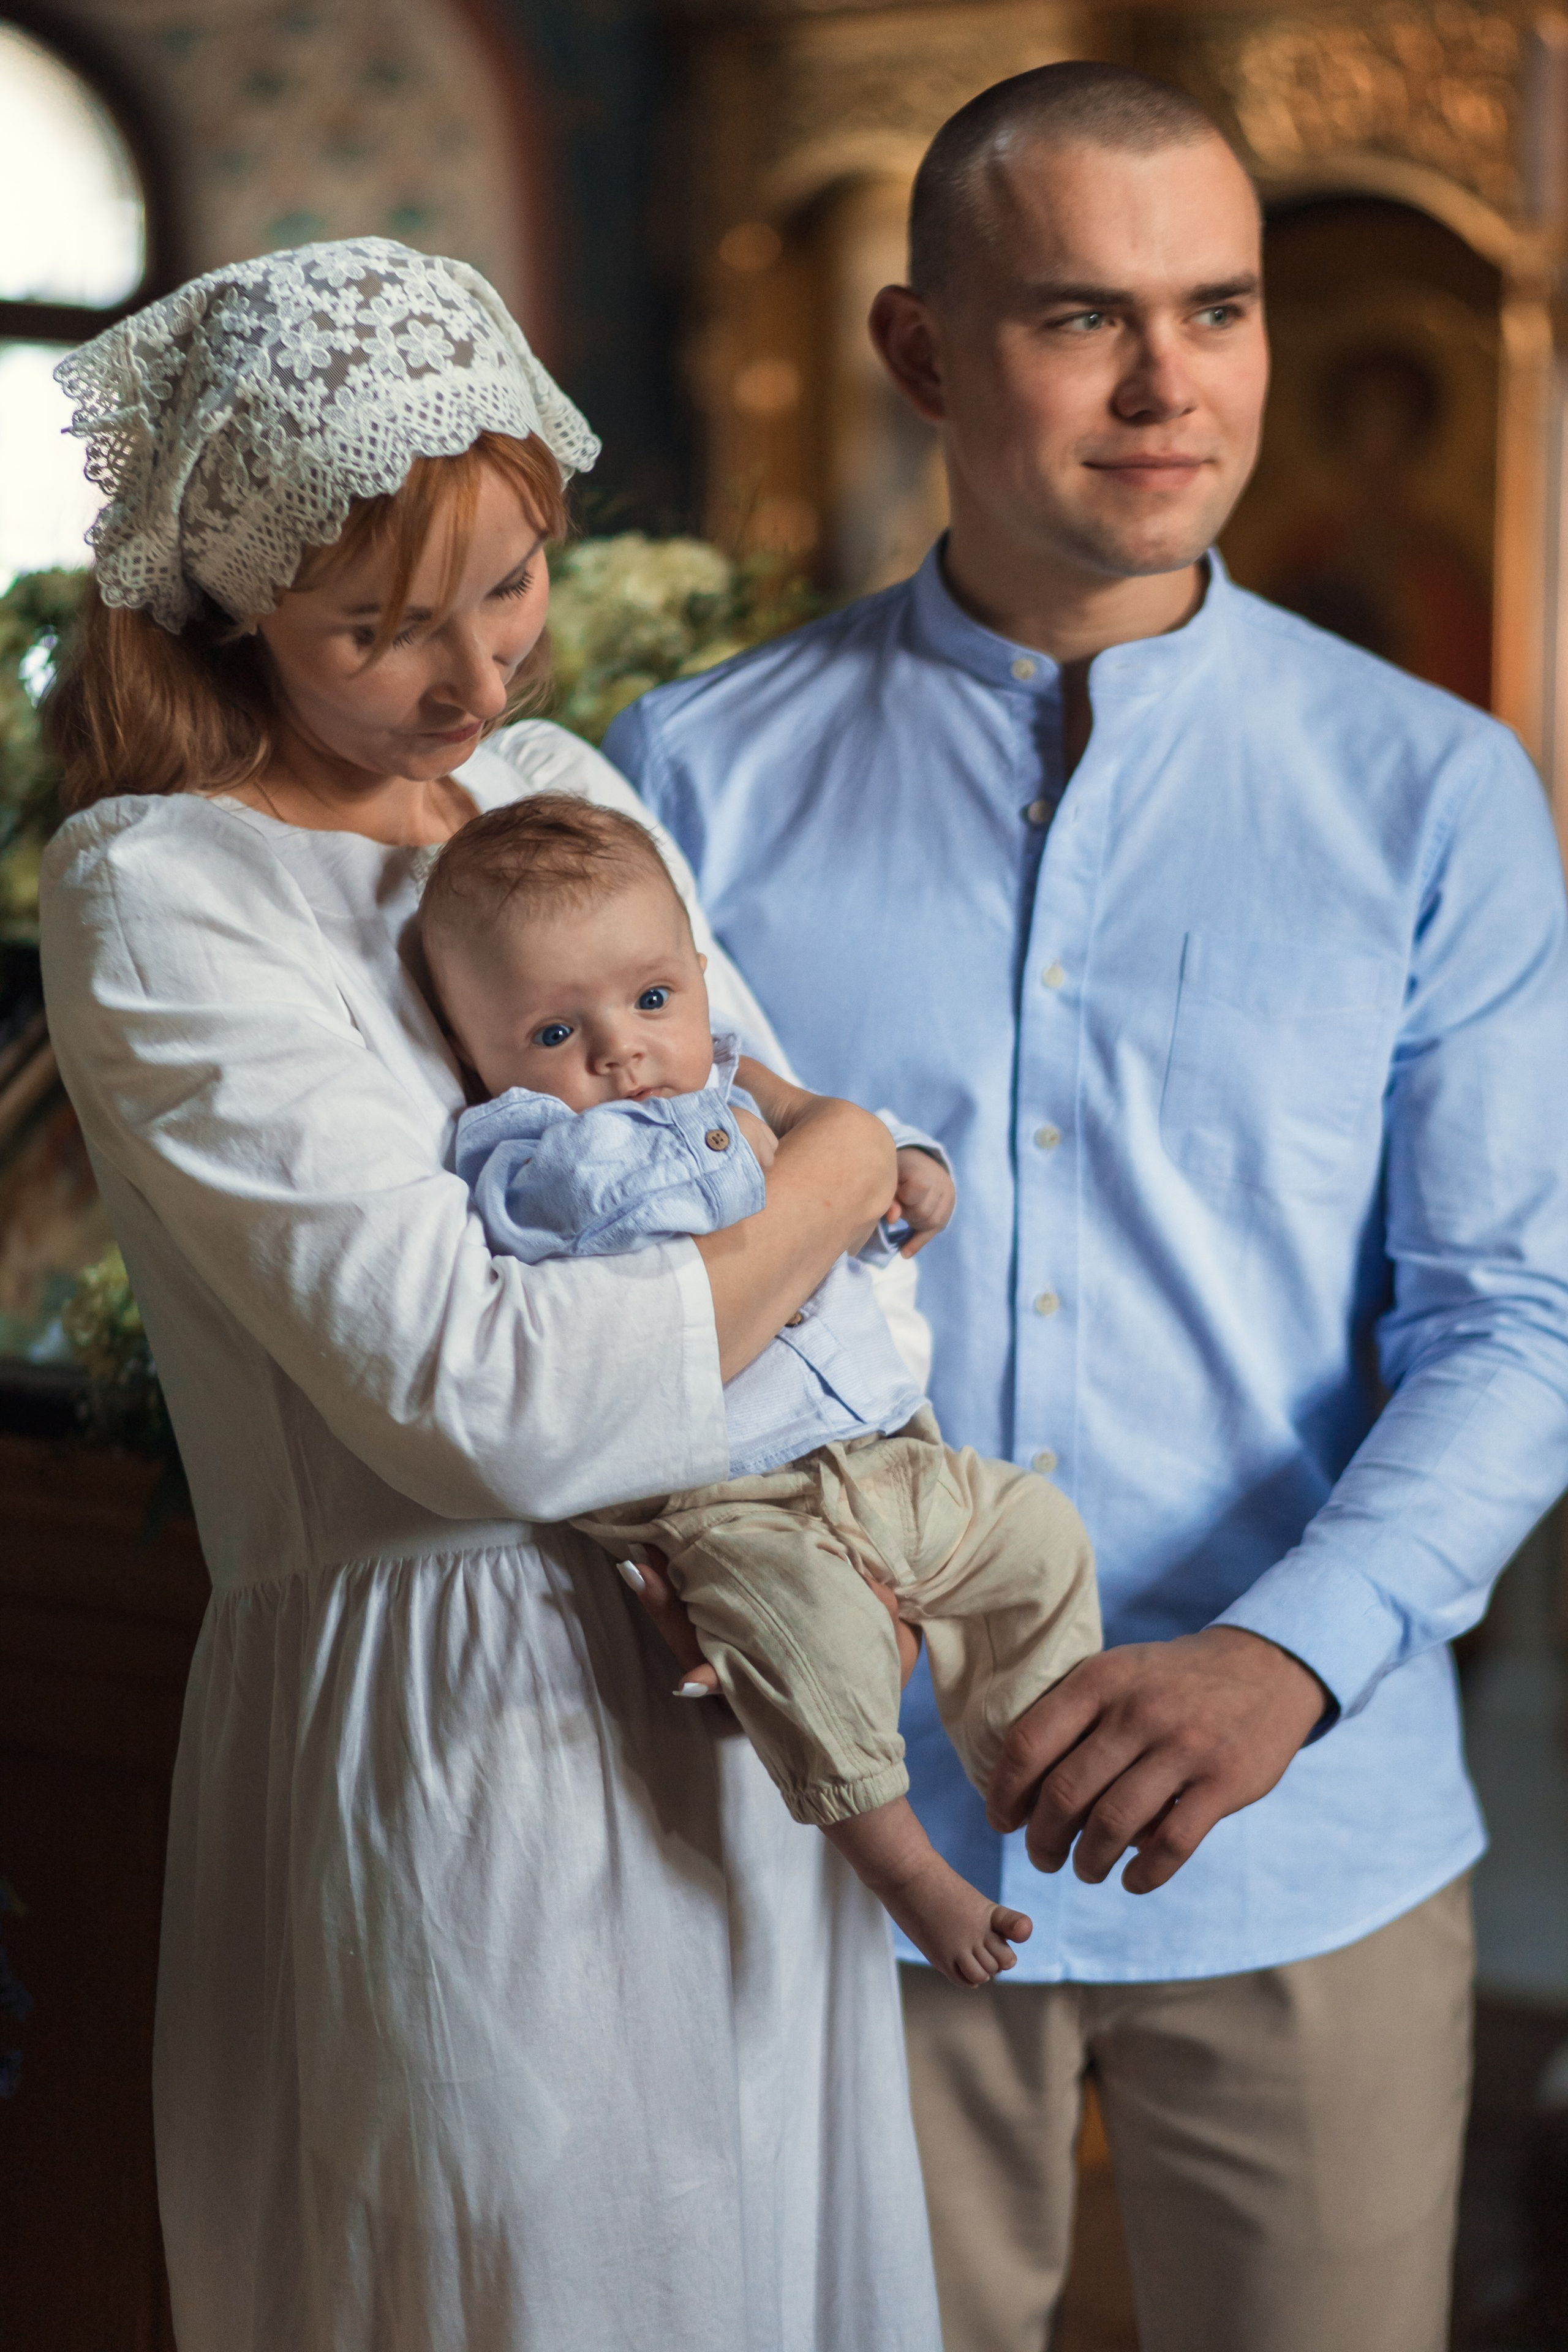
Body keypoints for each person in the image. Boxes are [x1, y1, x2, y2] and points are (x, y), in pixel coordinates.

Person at [603, 61, 1568, 2352]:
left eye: (1218, 308)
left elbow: (1516, 1318)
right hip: (833, 1846)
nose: (1171, 385)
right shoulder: (695, 779)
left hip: (1312, 1839)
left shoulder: (1436, 791)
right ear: (922, 351)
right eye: (1081, 318)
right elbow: (609, 1281)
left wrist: (1289, 1659)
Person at [37, 238, 945, 2351]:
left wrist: (857, 1539)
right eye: (381, 627)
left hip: (735, 1678)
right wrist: (835, 1170)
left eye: (513, 586)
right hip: (461, 1737)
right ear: (235, 599)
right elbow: (489, 1403)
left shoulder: (560, 797)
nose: (474, 681)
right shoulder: (167, 892)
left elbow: (844, 1279)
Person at [418, 790, 1101, 1985]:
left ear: (697, 979)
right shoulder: (525, 1158)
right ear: (476, 1056)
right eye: (553, 1032)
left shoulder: (732, 1087)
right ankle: (907, 1872)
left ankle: (1023, 1755)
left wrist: (899, 1167)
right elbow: (655, 1223)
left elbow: (843, 1189)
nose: (620, 1050)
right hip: (730, 1506)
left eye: (651, 999)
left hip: (882, 1450)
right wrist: (804, 1152)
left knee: (1039, 1533)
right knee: (814, 1656)